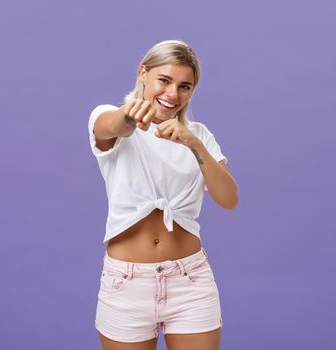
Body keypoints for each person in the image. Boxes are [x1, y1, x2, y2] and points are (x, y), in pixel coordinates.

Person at [88, 39, 238, 350]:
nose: (173, 94)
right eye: (165, 80)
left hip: (190, 280)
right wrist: (128, 118)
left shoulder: (199, 136)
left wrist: (193, 144)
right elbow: (109, 127)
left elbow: (228, 199)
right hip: (126, 284)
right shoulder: (111, 117)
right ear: (144, 73)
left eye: (185, 86)